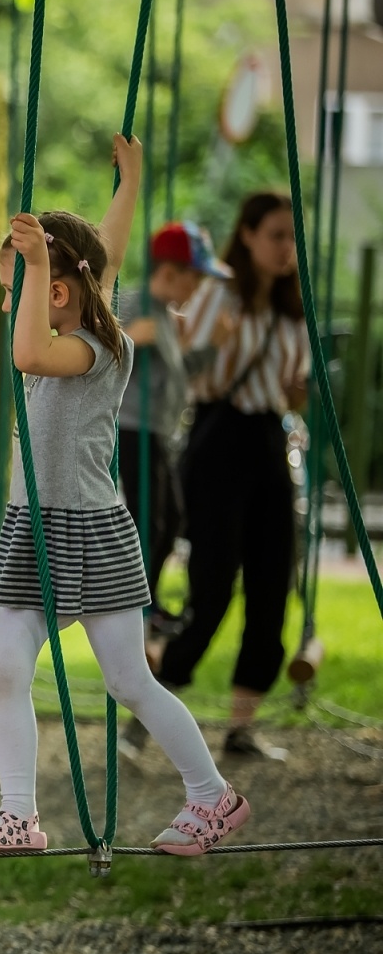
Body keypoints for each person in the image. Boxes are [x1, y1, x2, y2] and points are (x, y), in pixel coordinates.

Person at [0, 134, 250, 858]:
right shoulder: (73, 309)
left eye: (16, 290)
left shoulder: (92, 350)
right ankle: (17, 813)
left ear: (56, 294)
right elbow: (104, 254)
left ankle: (213, 797)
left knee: (130, 681)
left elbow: (30, 349)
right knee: (4, 664)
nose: (8, 305)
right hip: (34, 528)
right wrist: (131, 183)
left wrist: (32, 262)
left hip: (90, 535)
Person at [151, 192, 311, 762]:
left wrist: (297, 391)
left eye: (292, 237)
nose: (286, 247)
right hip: (219, 441)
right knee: (212, 588)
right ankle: (152, 711)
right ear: (246, 235)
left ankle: (241, 727)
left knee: (272, 586)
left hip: (267, 441)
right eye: (275, 235)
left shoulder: (295, 309)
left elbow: (296, 389)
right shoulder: (216, 292)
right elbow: (181, 364)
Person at [117, 222, 232, 634]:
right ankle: (133, 607)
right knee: (150, 520)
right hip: (131, 429)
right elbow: (95, 352)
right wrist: (127, 337)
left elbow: (178, 374)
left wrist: (212, 345)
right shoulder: (132, 305)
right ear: (168, 273)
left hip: (156, 431)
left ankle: (146, 602)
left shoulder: (164, 317)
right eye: (195, 279)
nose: (198, 289)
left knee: (171, 517)